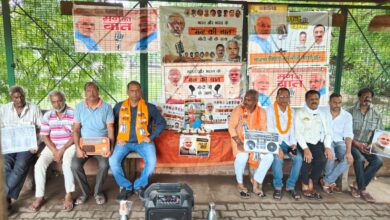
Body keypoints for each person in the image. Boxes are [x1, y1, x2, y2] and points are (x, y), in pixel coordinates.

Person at [110, 81, 166, 200]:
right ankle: (126, 187)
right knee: (113, 161)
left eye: (137, 90)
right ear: (127, 92)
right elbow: (111, 124)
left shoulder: (149, 107)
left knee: (151, 161)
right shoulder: (119, 107)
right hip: (123, 142)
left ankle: (139, 185)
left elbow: (162, 123)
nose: (134, 93)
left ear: (141, 92)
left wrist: (150, 137)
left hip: (143, 142)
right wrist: (116, 138)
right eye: (132, 90)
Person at [29, 91, 75, 212]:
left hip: (69, 145)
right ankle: (40, 197)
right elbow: (44, 136)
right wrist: (55, 151)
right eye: (54, 101)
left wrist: (62, 150)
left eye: (59, 100)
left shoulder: (73, 113)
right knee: (39, 165)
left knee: (67, 162)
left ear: (64, 99)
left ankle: (69, 195)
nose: (57, 104)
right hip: (52, 146)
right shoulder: (48, 115)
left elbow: (76, 135)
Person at [71, 82, 114, 205]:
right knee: (74, 165)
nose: (91, 93)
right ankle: (85, 193)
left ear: (98, 91)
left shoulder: (107, 107)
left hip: (102, 144)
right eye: (88, 91)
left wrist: (110, 147)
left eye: (94, 90)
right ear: (85, 93)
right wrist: (78, 148)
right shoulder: (79, 107)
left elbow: (111, 129)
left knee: (104, 165)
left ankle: (98, 192)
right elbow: (76, 129)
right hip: (85, 145)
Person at [0, 86, 42, 212]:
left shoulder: (33, 108)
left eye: (21, 96)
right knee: (6, 165)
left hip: (27, 147)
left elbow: (42, 129)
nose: (19, 99)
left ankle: (3, 197)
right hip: (9, 146)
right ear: (11, 98)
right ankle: (6, 200)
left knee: (21, 165)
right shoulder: (4, 109)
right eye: (16, 97)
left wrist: (37, 144)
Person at [228, 90, 273, 199]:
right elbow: (231, 127)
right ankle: (240, 184)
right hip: (240, 141)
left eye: (249, 100)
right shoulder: (238, 109)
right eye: (245, 99)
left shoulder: (262, 111)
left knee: (269, 157)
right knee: (242, 157)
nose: (245, 102)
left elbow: (264, 129)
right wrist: (239, 143)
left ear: (256, 101)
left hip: (256, 142)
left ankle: (256, 182)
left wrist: (260, 144)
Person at [347, 88, 383, 203]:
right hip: (351, 143)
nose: (367, 99)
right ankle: (362, 189)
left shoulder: (376, 115)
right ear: (359, 97)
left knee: (378, 161)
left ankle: (357, 184)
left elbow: (380, 133)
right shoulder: (350, 112)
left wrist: (372, 144)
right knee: (360, 159)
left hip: (366, 145)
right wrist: (356, 143)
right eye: (365, 96)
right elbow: (345, 132)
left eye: (369, 97)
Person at [295, 90, 333, 200]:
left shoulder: (323, 114)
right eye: (311, 99)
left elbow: (328, 132)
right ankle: (305, 183)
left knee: (322, 159)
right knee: (307, 159)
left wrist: (327, 147)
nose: (314, 101)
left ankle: (312, 179)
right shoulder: (300, 113)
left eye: (316, 99)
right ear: (306, 100)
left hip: (317, 143)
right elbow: (298, 133)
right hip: (304, 142)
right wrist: (305, 149)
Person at [267, 88, 302, 200]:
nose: (284, 99)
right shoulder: (270, 110)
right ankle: (278, 186)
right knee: (278, 158)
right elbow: (270, 130)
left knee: (298, 158)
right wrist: (277, 148)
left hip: (288, 142)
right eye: (281, 97)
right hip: (274, 141)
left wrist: (293, 145)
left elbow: (294, 130)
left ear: (289, 99)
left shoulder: (292, 111)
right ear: (276, 97)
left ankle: (290, 186)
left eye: (286, 97)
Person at [321, 93, 354, 194]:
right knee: (331, 156)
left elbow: (348, 134)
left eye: (339, 102)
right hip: (326, 140)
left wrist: (348, 152)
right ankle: (330, 182)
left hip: (340, 141)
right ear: (329, 102)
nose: (337, 105)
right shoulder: (322, 112)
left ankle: (327, 181)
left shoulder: (347, 116)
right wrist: (327, 147)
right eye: (334, 102)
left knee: (348, 159)